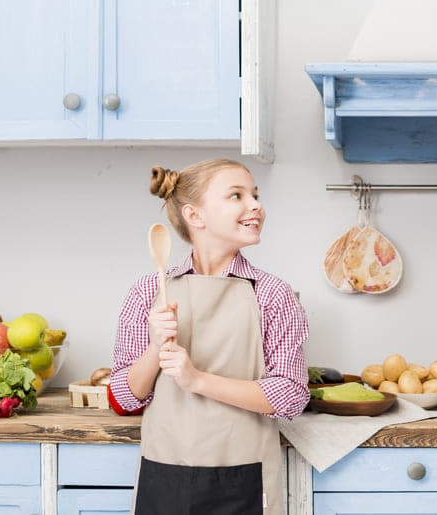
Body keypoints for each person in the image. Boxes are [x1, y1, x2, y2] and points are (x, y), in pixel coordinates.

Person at [109, 158, 309, 515]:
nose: (255, 206)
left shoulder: (272, 294)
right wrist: (156, 348)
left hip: (244, 476)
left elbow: (291, 396)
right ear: (195, 216)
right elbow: (125, 398)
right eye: (237, 196)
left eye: (255, 195)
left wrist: (196, 379)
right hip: (164, 471)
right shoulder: (148, 291)